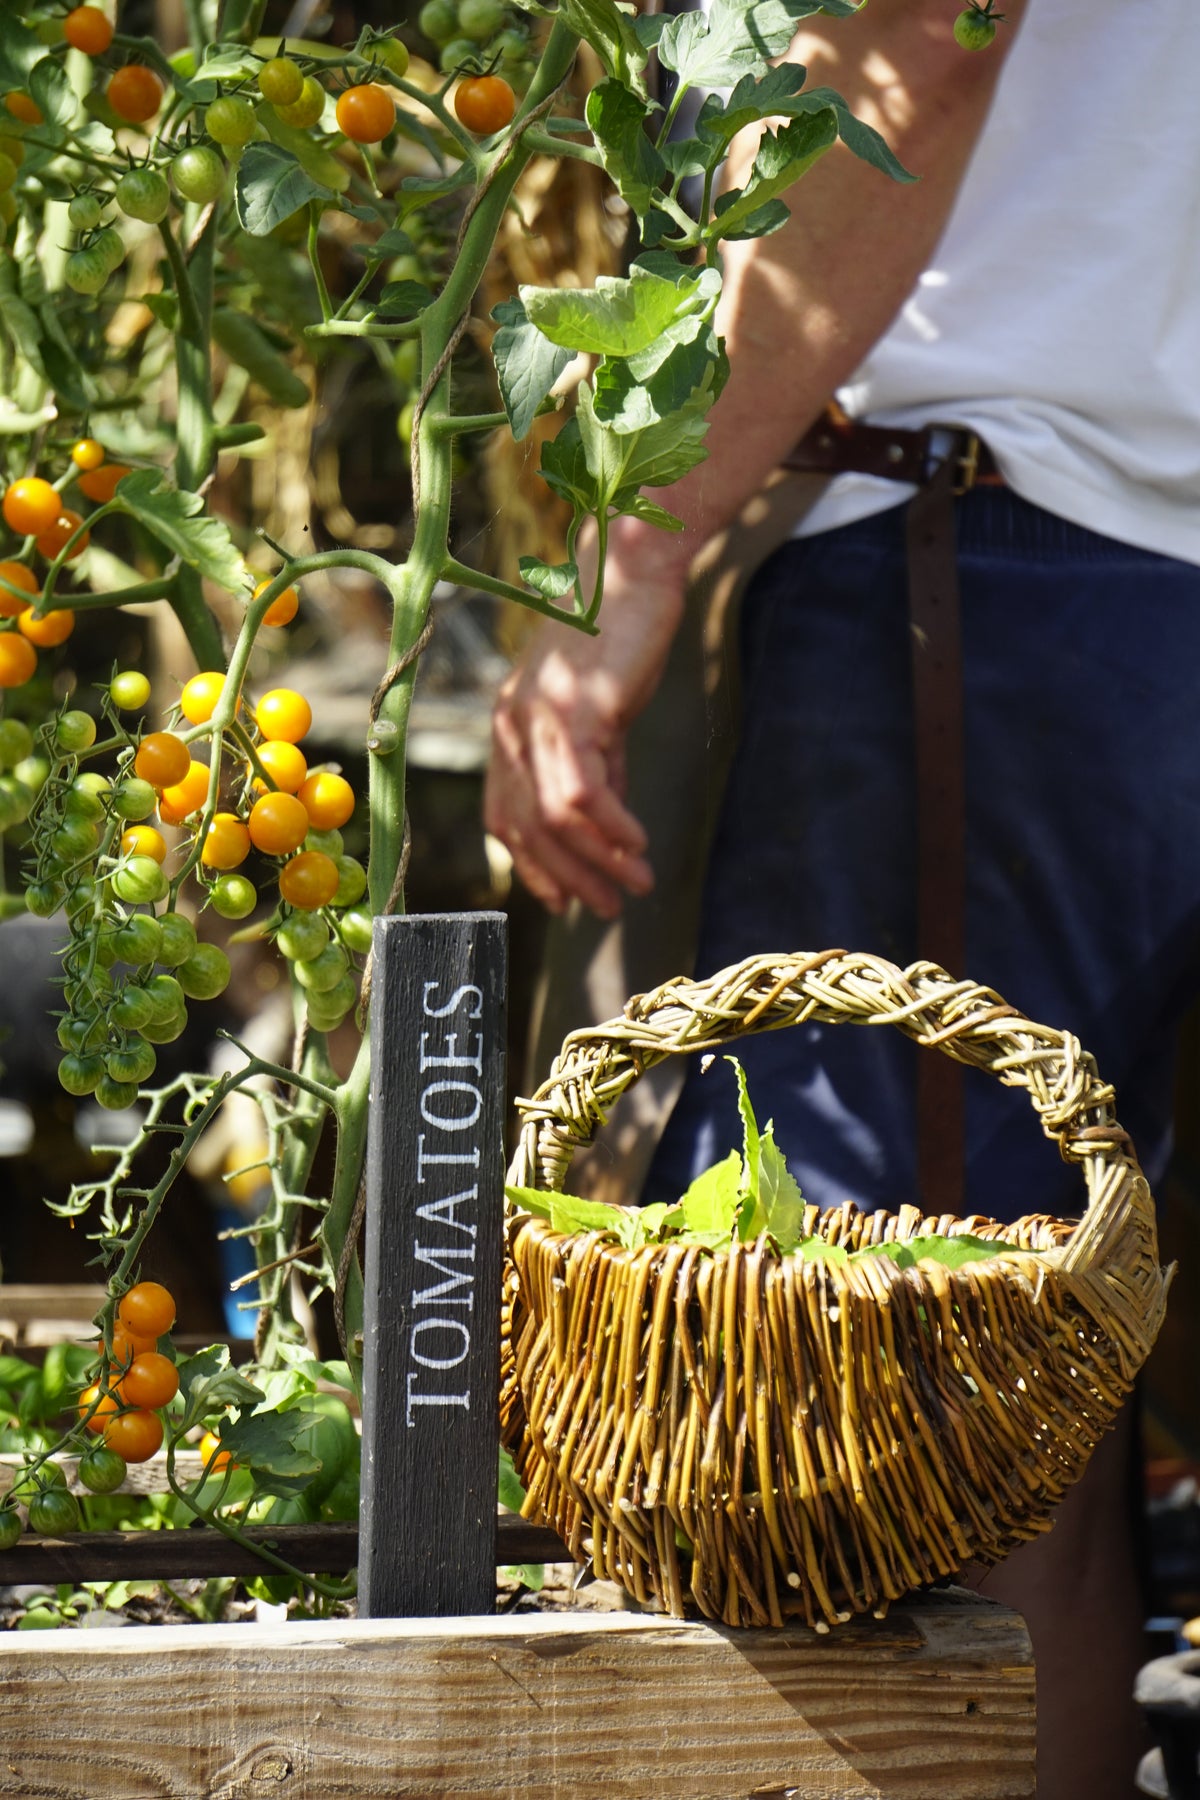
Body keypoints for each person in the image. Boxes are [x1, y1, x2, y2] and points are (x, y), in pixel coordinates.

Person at [486, 0, 1200, 1793]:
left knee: (849, 1400)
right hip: (1108, 566)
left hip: (984, 550)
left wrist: (636, 561)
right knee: (1036, 1402)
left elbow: (917, 47)